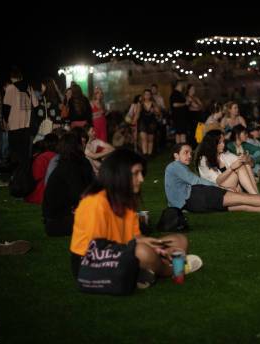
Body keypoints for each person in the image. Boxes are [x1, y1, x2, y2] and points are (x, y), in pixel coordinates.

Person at [70, 148, 202, 286]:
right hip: (91, 262)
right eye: (136, 174)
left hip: (123, 251)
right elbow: (98, 249)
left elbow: (135, 236)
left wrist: (150, 243)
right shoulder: (94, 203)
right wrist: (145, 247)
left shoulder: (125, 199)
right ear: (119, 175)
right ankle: (173, 269)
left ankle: (145, 272)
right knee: (143, 252)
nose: (141, 179)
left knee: (179, 241)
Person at [165, 143, 260, 213]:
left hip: (196, 205)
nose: (190, 156)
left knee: (244, 205)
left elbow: (173, 198)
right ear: (176, 155)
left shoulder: (173, 169)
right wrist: (221, 188)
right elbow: (196, 181)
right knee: (246, 199)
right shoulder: (175, 166)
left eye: (190, 153)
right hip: (200, 197)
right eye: (185, 152)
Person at [43, 132, 94, 236]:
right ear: (77, 146)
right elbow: (80, 195)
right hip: (59, 222)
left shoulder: (65, 165)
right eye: (82, 143)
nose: (84, 146)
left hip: (58, 218)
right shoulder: (71, 168)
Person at [195, 130, 259, 194]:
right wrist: (231, 168)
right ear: (212, 143)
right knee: (238, 168)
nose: (223, 144)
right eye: (220, 142)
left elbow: (250, 164)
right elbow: (216, 181)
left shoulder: (224, 155)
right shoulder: (203, 160)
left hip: (230, 186)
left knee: (246, 164)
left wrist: (247, 159)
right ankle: (256, 195)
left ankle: (256, 194)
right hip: (214, 189)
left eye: (223, 141)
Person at [3, 68, 38, 169]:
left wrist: (5, 122)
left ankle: (17, 177)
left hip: (13, 125)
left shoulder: (10, 88)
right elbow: (36, 105)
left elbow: (6, 107)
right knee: (25, 153)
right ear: (21, 77)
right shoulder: (29, 88)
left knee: (15, 153)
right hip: (27, 125)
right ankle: (25, 175)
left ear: (11, 78)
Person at [25, 134, 58, 205]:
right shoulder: (57, 157)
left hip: (37, 194)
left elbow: (36, 176)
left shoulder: (40, 157)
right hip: (46, 194)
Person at [138, 89, 161, 157]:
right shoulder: (141, 104)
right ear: (143, 95)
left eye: (148, 94)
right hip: (143, 122)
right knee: (144, 139)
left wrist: (154, 111)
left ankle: (149, 154)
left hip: (152, 122)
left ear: (150, 95)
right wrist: (134, 121)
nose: (147, 96)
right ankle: (145, 154)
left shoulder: (153, 103)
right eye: (146, 94)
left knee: (150, 139)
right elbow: (137, 114)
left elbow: (159, 113)